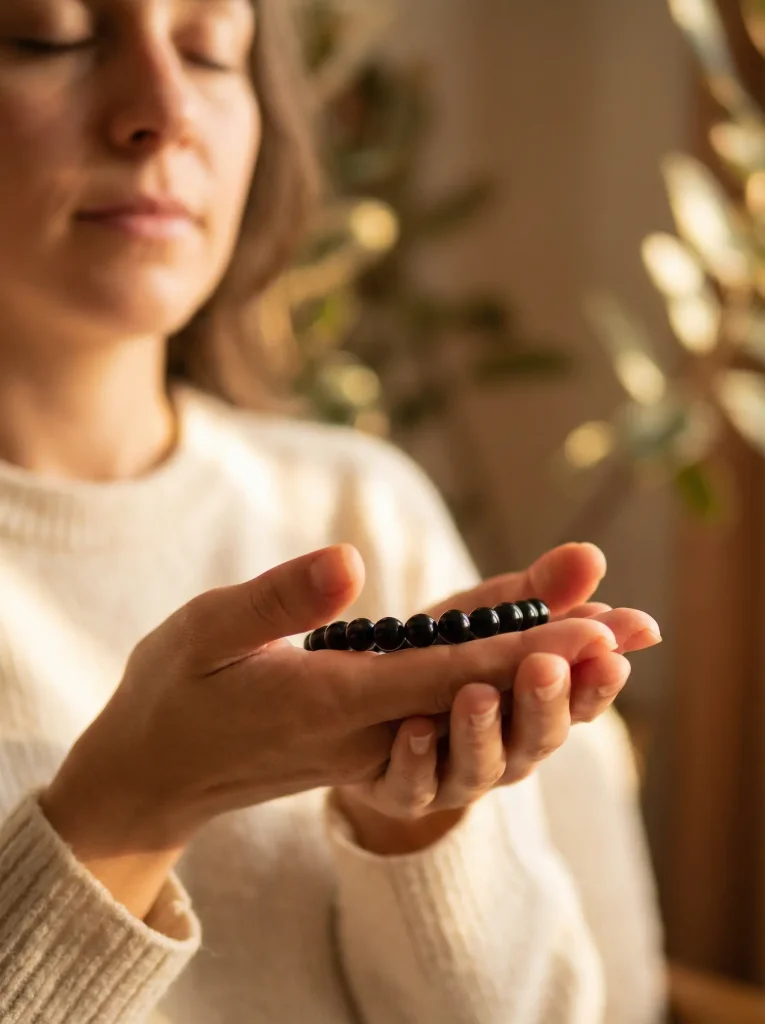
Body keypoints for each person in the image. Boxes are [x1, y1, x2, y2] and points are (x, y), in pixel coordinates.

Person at [0, 2, 665, 1022]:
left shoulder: (361, 505)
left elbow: (611, 1004)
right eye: (47, 36)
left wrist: (414, 830)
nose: (164, 110)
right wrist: (133, 802)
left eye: (210, 50)